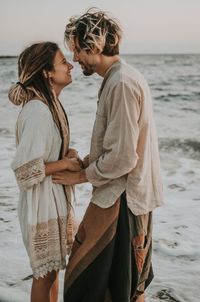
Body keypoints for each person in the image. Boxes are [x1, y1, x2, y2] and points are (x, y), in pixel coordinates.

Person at [53, 8, 164, 302]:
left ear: (94, 45)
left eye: (76, 50)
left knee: (106, 285)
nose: (75, 59)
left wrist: (79, 176)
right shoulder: (118, 78)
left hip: (124, 198)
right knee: (124, 286)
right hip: (122, 194)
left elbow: (123, 159)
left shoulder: (122, 83)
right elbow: (118, 146)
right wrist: (87, 160)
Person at [8, 42, 82, 302]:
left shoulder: (50, 106)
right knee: (44, 276)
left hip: (52, 201)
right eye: (64, 62)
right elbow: (25, 171)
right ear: (47, 73)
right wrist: (64, 165)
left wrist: (67, 154)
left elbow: (43, 154)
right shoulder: (37, 111)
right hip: (41, 204)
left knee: (51, 274)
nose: (71, 65)